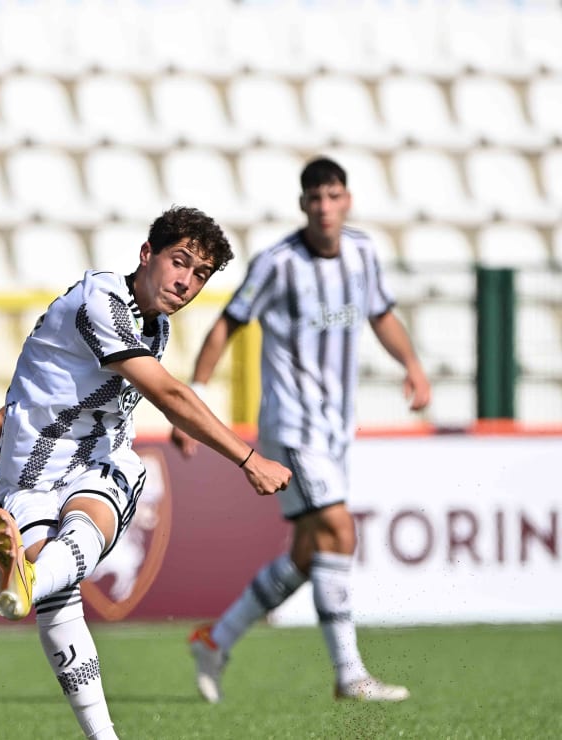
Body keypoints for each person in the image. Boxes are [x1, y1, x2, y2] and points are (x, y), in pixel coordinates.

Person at [0, 206, 291, 740]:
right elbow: (169, 393)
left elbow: (54, 373)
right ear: (146, 255)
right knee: (58, 594)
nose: (186, 282)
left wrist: (0, 423)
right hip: (36, 470)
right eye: (179, 262)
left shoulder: (151, 325)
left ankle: (30, 587)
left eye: (200, 275)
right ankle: (31, 582)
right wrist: (248, 459)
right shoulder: (103, 299)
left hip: (86, 462)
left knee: (57, 577)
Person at [179, 157, 431, 704]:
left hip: (337, 425)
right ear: (303, 205)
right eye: (314, 198)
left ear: (347, 200)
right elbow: (229, 322)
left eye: (333, 195)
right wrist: (194, 396)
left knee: (308, 554)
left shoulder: (362, 253)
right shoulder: (278, 264)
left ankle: (215, 640)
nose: (324, 207)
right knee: (340, 531)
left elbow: (381, 313)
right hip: (292, 425)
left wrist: (411, 364)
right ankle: (349, 674)